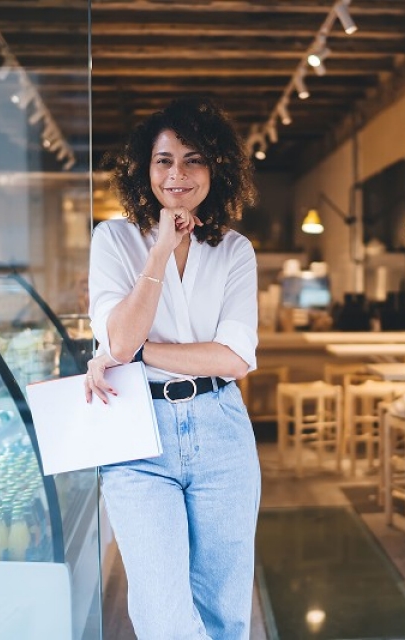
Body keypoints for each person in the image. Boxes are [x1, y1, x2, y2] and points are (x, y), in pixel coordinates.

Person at [84, 97, 260, 640]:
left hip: (220, 429)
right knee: (161, 617)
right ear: (145, 168)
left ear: (216, 169)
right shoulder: (114, 239)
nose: (177, 174)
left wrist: (133, 351)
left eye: (193, 159)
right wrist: (159, 250)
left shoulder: (235, 250)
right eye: (164, 160)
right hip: (139, 435)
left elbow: (233, 358)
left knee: (225, 614)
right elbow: (118, 333)